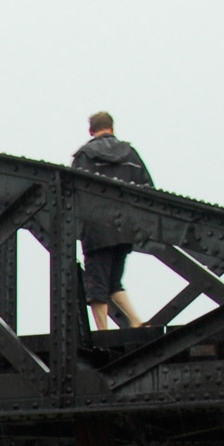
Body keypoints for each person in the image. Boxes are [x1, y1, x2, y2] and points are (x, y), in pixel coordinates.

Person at [69, 111, 152, 334]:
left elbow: (73, 195)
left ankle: (103, 333)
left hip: (97, 232)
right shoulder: (131, 156)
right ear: (112, 128)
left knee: (97, 285)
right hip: (124, 231)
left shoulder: (84, 156)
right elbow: (148, 191)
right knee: (114, 281)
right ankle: (136, 320)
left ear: (90, 131)